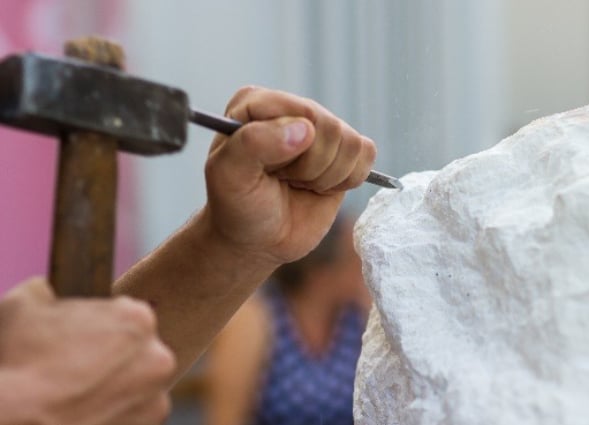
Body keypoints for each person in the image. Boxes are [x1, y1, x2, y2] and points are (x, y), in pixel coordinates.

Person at [0, 86, 377, 425]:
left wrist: (234, 243)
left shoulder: (349, 320)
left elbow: (77, 381)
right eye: (353, 253)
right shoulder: (262, 321)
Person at [205, 215, 370, 425]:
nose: (364, 265)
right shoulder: (257, 317)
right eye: (353, 257)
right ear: (319, 274)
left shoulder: (357, 313)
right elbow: (225, 420)